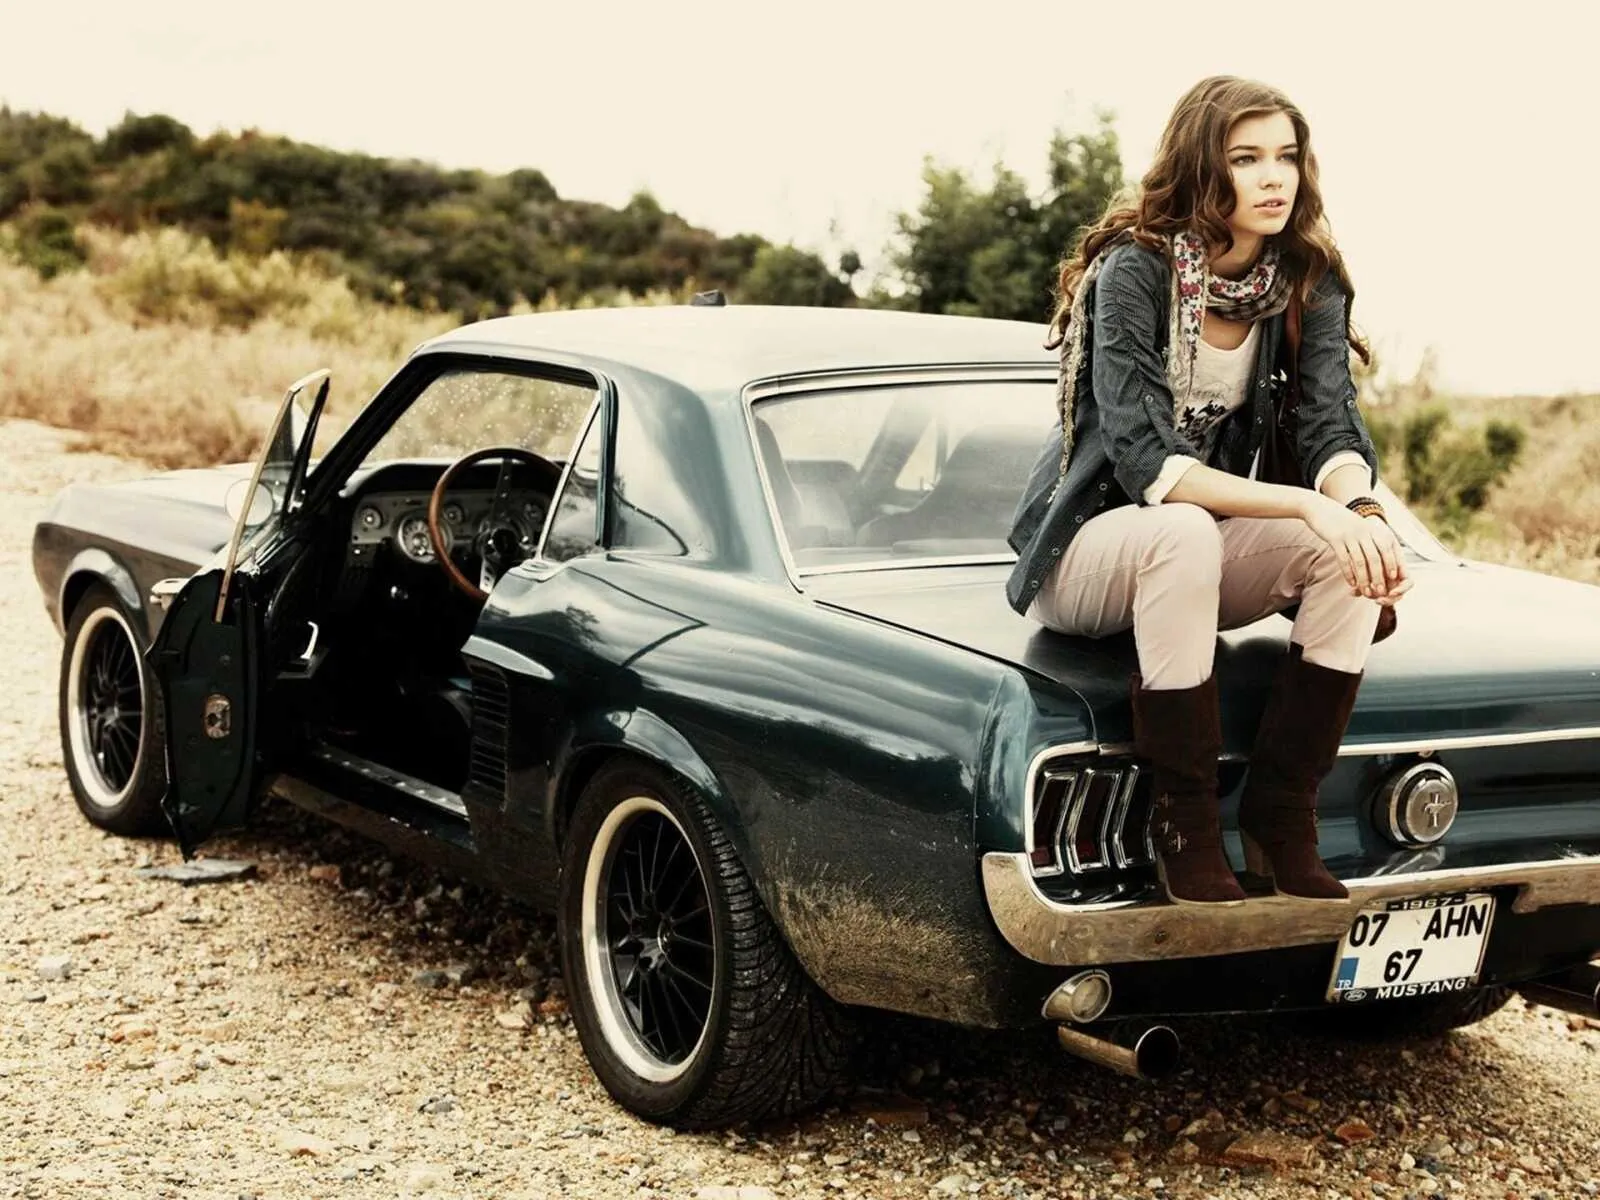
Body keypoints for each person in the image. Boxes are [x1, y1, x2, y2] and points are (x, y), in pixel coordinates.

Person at [1006, 76, 1411, 906]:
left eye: (1287, 157)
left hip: (1192, 560)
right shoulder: (1133, 275)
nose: (1274, 178)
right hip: (1089, 552)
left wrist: (1359, 512)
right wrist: (1306, 504)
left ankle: (1280, 817)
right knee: (1188, 526)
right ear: (1202, 167)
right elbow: (1149, 462)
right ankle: (1182, 822)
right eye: (1246, 159)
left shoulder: (1306, 281)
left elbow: (1330, 426)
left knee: (1341, 557)